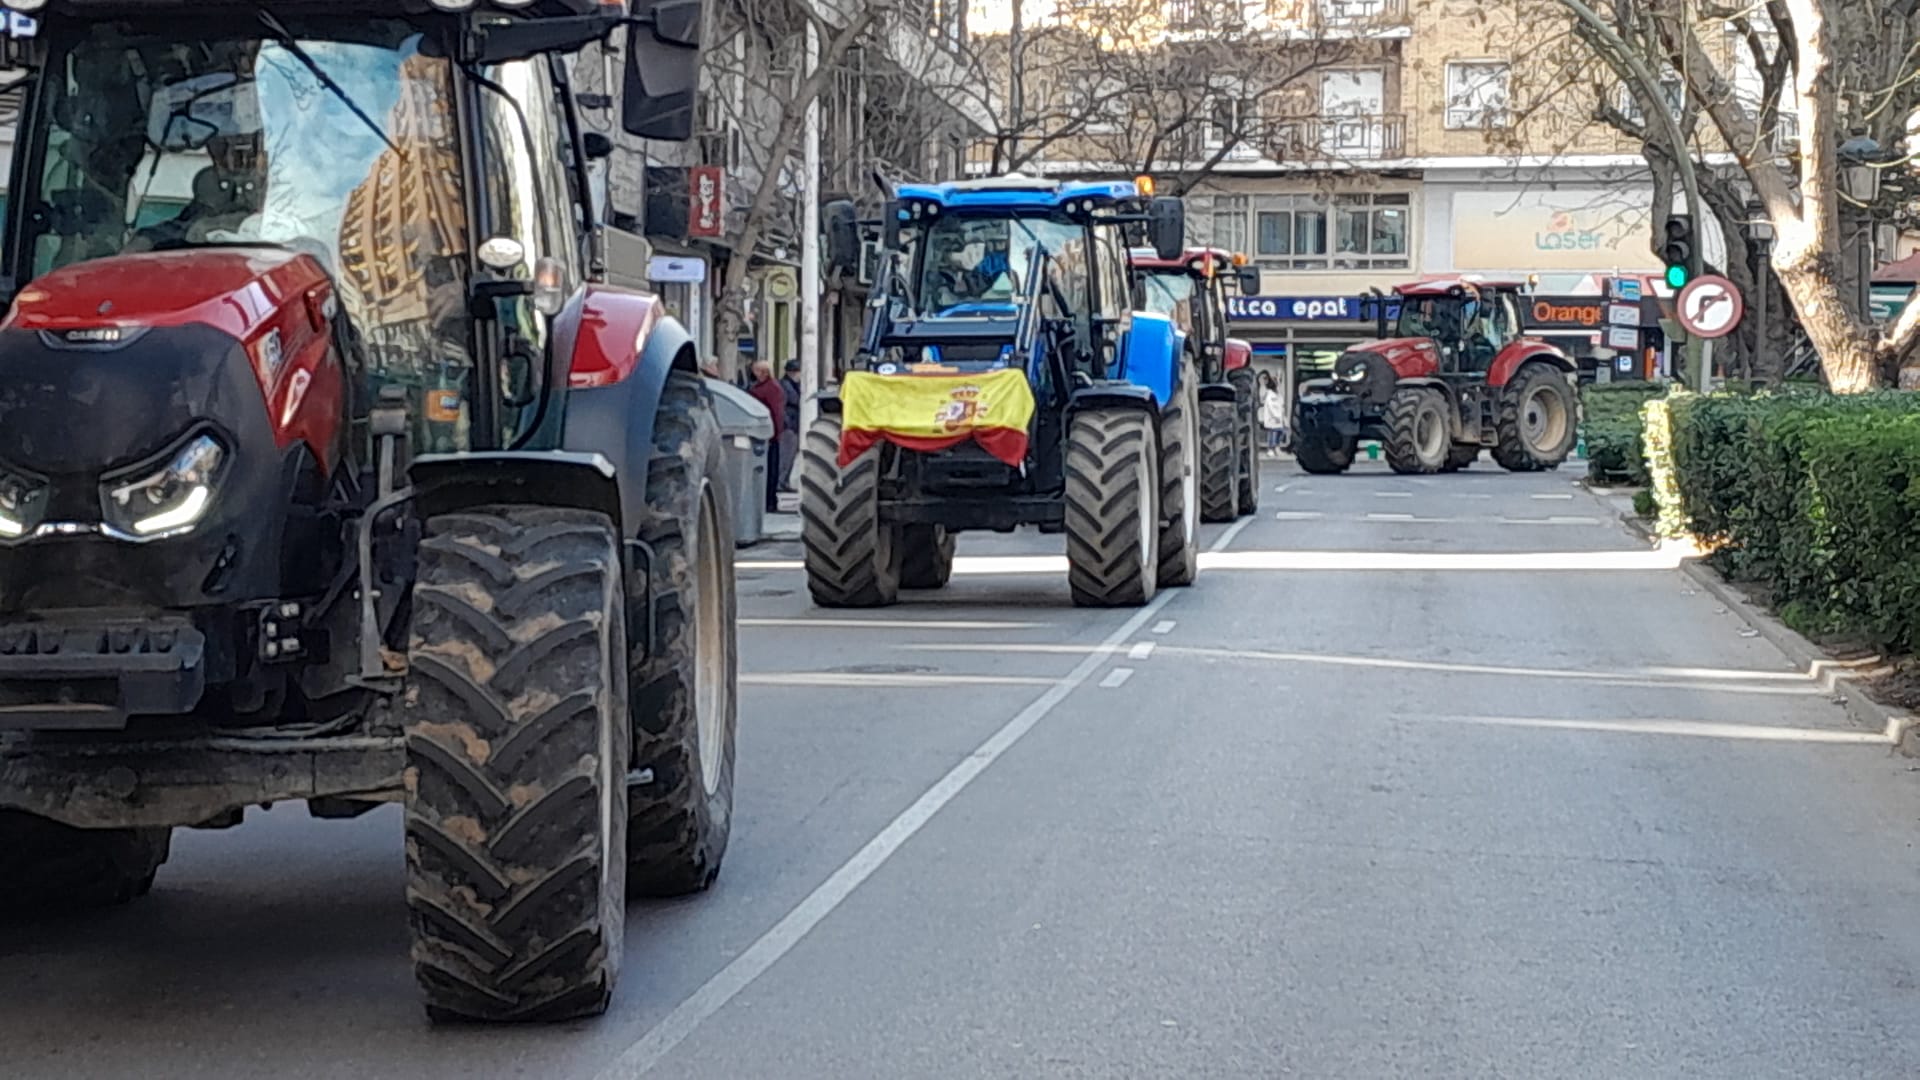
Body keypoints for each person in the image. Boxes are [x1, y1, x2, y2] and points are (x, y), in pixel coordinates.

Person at [747, 359, 788, 513]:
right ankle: (767, 501)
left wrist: (774, 434)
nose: (753, 373)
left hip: (769, 437)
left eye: (756, 370)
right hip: (765, 435)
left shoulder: (771, 388)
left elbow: (776, 413)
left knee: (770, 471)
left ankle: (770, 501)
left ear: (763, 372)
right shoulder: (765, 387)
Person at [779, 358, 803, 492]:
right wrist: (787, 422)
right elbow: (783, 406)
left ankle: (784, 481)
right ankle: (781, 482)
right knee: (785, 455)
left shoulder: (795, 385)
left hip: (794, 424)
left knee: (791, 455)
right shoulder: (785, 386)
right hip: (788, 426)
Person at [1258, 370, 1287, 455]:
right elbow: (1271, 407)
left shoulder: (1278, 394)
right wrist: (1276, 416)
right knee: (1273, 433)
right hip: (1273, 418)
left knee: (1279, 432)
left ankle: (1277, 447)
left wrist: (1281, 415)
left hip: (1278, 418)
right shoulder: (1270, 395)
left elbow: (1281, 404)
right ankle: (1271, 448)